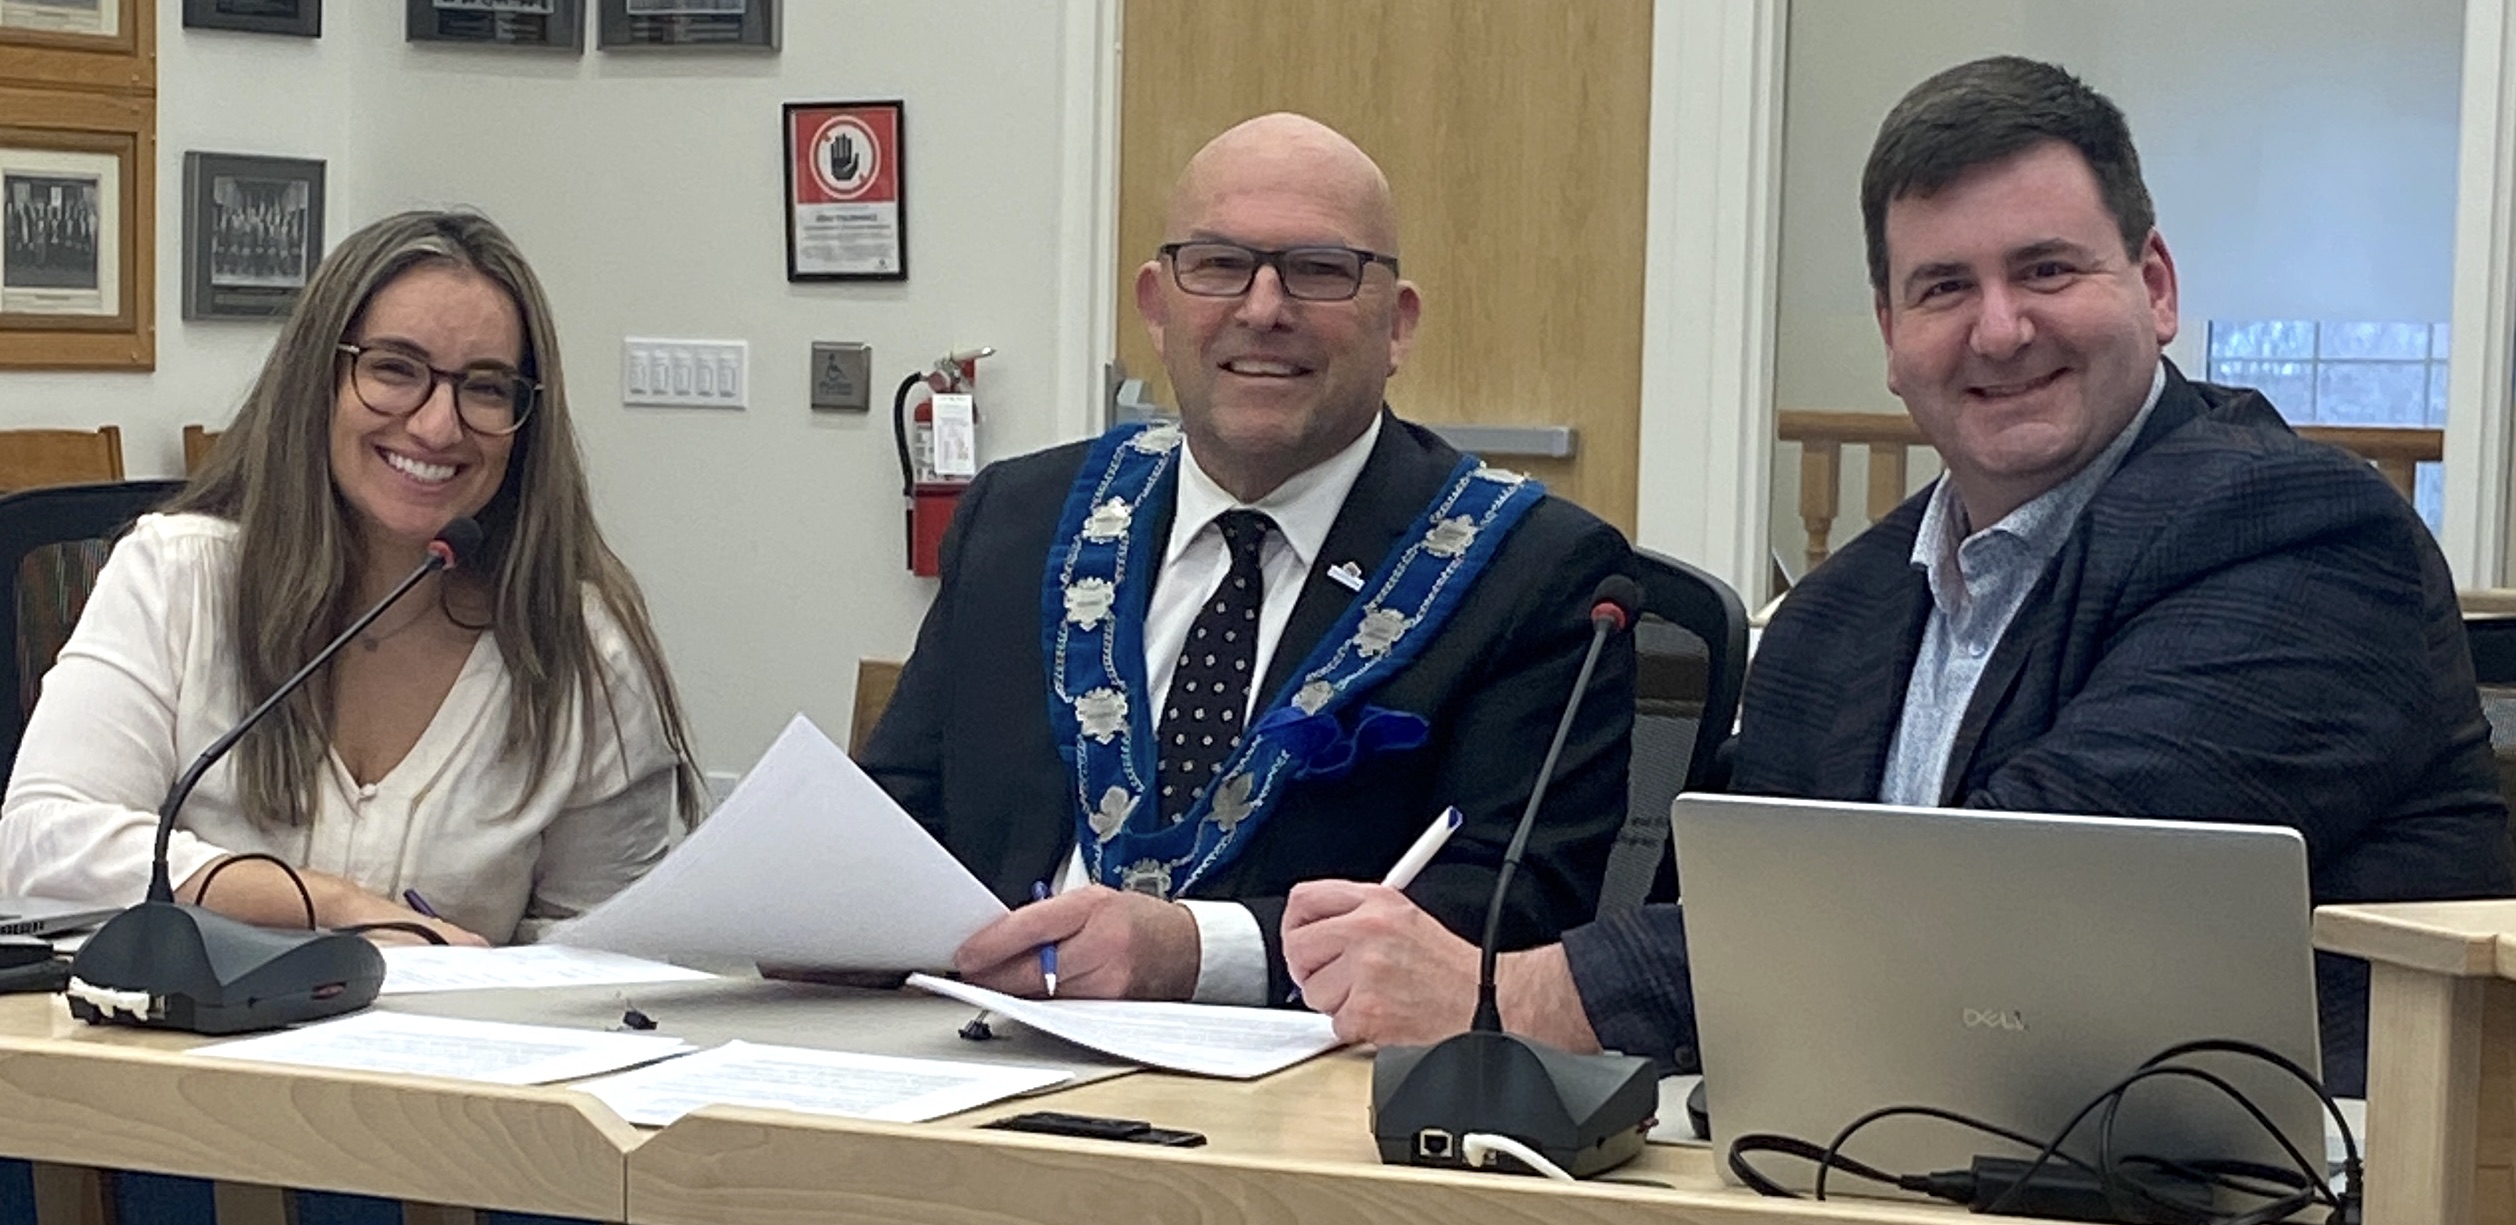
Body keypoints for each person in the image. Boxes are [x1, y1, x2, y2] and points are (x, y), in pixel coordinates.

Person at [1281, 55, 2513, 1096]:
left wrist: (1520, 995)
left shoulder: (2299, 533)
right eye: (1941, 288)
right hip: (1875, 1167)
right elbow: (1748, 911)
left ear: (2153, 288)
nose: (1996, 329)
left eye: (2044, 270)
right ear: (1888, 338)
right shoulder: (1836, 613)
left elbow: (2022, 894)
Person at [859, 113, 1635, 1006]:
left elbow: (1512, 914)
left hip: (1306, 1100)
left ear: (1399, 326)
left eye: (1318, 271)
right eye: (1220, 265)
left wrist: (1200, 952)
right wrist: (823, 914)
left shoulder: (1536, 572)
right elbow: (898, 814)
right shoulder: (1019, 519)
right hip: (971, 1064)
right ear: (1156, 306)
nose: (1263, 310)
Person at [0, 209, 706, 947]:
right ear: (320, 380)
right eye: (395, 369)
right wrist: (334, 906)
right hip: (181, 1056)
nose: (438, 426)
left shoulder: (581, 650)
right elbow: (45, 839)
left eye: (487, 388)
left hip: (438, 1060)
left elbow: (604, 963)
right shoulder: (179, 578)